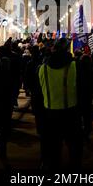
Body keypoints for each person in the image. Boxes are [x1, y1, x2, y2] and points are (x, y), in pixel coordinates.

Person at [37, 38, 82, 169]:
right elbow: (82, 91)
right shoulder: (75, 66)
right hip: (71, 114)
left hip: (50, 115)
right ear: (68, 50)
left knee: (52, 153)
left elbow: (39, 93)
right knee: (74, 151)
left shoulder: (42, 69)